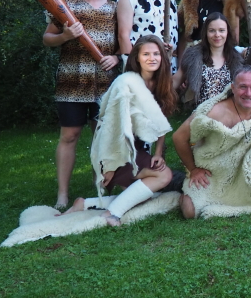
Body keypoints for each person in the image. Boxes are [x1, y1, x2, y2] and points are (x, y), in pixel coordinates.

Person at [64, 36, 178, 225]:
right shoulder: (125, 83)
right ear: (137, 58)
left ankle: (85, 204)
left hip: (134, 150)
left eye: (156, 54)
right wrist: (109, 166)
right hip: (114, 151)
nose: (152, 58)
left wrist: (158, 153)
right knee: (163, 176)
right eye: (146, 54)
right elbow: (111, 129)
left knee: (141, 194)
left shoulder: (161, 83)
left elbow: (161, 121)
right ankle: (111, 214)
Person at [42, 0, 121, 209]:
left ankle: (101, 188)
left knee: (102, 137)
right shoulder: (65, 5)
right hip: (71, 81)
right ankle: (62, 195)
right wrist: (65, 35)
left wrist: (116, 57)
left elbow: (124, 41)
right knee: (69, 136)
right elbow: (47, 38)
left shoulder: (115, 8)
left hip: (105, 83)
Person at [173, 66, 251, 219]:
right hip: (216, 171)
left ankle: (248, 192)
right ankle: (181, 186)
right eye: (242, 87)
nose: (248, 93)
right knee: (189, 212)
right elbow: (178, 137)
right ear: (233, 88)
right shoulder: (214, 111)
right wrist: (193, 169)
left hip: (247, 170)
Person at [174, 13, 244, 109]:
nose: (217, 35)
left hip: (228, 112)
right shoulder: (193, 56)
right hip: (200, 113)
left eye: (221, 30)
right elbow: (175, 81)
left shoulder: (237, 59)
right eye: (212, 30)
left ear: (227, 32)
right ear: (206, 32)